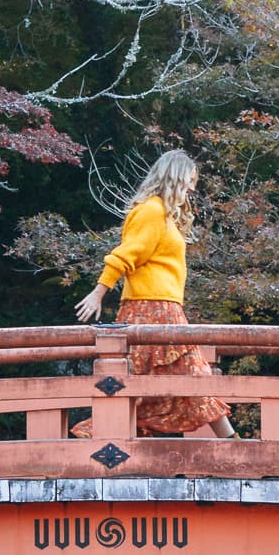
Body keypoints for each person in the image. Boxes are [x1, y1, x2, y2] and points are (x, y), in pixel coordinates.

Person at [72, 150, 236, 438]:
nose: (191, 190)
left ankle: (100, 442)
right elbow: (125, 256)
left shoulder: (165, 216)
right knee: (190, 378)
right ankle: (236, 446)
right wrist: (99, 293)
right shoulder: (152, 211)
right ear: (173, 178)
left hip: (167, 309)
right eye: (187, 183)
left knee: (154, 385)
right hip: (151, 309)